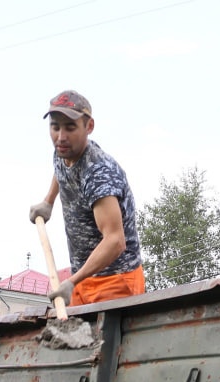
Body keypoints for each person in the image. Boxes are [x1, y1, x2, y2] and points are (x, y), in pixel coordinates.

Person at [29, 89, 144, 307]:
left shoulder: (99, 173)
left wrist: (71, 282)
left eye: (70, 128)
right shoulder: (64, 150)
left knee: (104, 342)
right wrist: (48, 202)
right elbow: (61, 170)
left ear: (88, 127)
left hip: (115, 281)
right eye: (55, 127)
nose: (61, 137)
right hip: (82, 276)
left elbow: (115, 241)